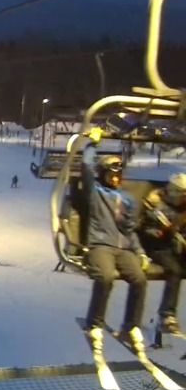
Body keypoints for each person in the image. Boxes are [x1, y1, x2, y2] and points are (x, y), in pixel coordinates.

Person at [81, 132, 149, 350]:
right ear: (103, 174)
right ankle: (95, 324)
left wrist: (139, 252)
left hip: (123, 248)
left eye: (119, 175)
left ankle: (131, 325)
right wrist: (93, 144)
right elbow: (86, 166)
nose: (116, 179)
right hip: (100, 245)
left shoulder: (126, 199)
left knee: (140, 279)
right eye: (112, 175)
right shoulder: (96, 192)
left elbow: (129, 230)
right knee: (106, 277)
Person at [139, 173, 186, 335]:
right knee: (174, 270)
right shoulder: (155, 204)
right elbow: (144, 229)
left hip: (177, 246)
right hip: (158, 247)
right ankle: (167, 315)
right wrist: (162, 232)